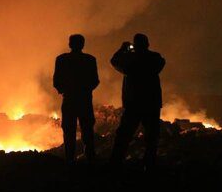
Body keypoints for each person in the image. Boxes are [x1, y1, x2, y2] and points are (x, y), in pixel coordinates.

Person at [110, 33, 166, 170]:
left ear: (135, 45)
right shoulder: (154, 58)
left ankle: (116, 164)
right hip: (151, 103)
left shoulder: (130, 59)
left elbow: (115, 61)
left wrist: (123, 49)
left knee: (124, 135)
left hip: (133, 104)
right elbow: (161, 62)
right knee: (152, 136)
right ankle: (149, 164)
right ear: (147, 44)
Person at [53, 34, 99, 164]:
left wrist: (64, 90)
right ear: (83, 44)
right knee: (87, 129)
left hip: (69, 100)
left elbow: (56, 81)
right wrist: (85, 90)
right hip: (85, 100)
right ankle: (90, 158)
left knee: (69, 130)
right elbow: (95, 80)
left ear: (70, 44)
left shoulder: (61, 59)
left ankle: (70, 160)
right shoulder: (90, 60)